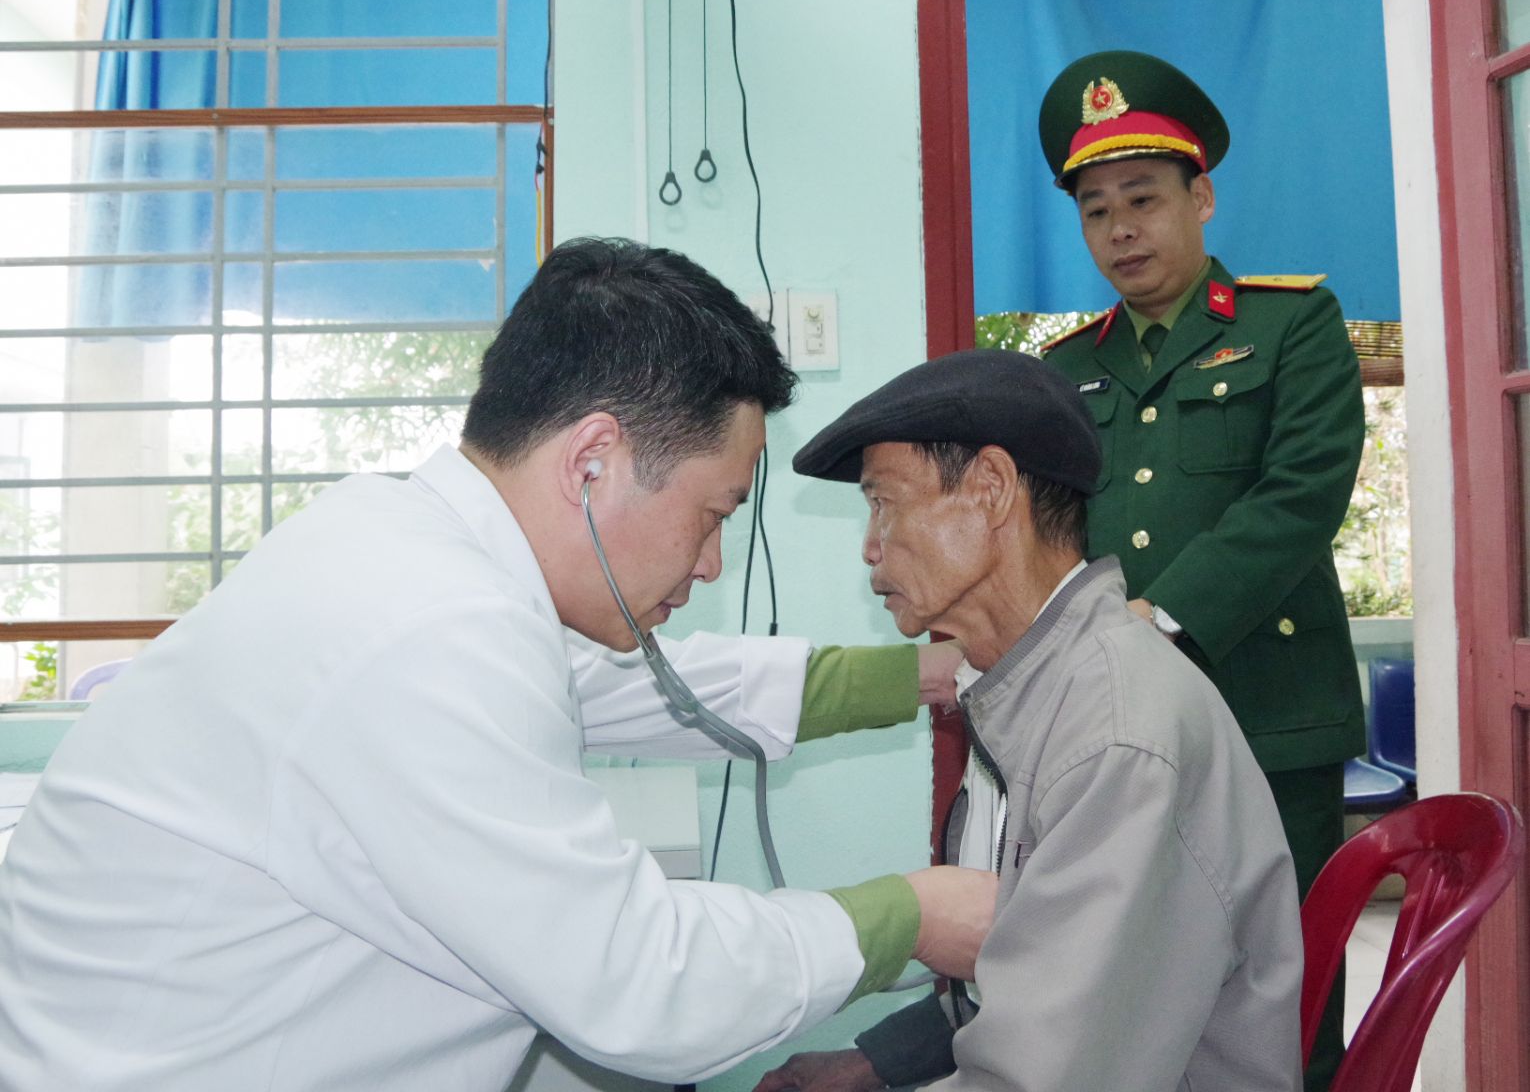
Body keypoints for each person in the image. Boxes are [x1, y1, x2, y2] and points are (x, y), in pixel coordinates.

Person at [0, 238, 996, 1092]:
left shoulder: (410, 551)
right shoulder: (433, 632)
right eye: (712, 514)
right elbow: (639, 981)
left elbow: (659, 689)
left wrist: (927, 676)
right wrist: (907, 916)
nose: (710, 564)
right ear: (592, 461)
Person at [768, 348, 1302, 1091]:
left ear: (991, 489)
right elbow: (1037, 970)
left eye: (883, 502)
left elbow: (1053, 1072)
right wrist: (879, 1061)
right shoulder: (1030, 683)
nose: (870, 546)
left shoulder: (1112, 732)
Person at [1037, 50, 1364, 1092]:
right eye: (1096, 211)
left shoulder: (1291, 323)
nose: (1121, 230)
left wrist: (1162, 618)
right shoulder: (1065, 369)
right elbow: (1047, 535)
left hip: (1271, 715)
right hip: (1120, 733)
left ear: (1201, 197)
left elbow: (1301, 494)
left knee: (1289, 995)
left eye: (1143, 199)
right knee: (1141, 986)